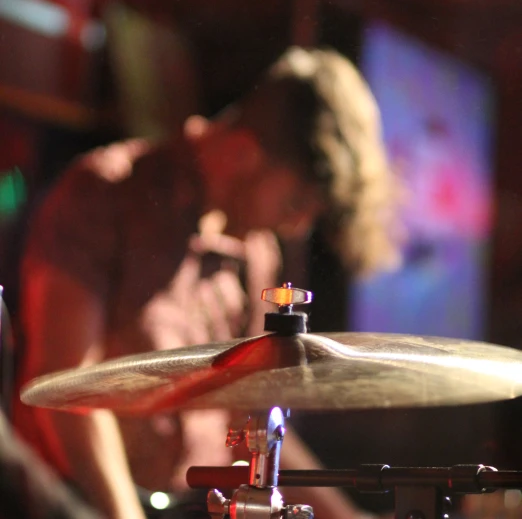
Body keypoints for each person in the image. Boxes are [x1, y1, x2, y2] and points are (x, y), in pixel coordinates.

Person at [14, 46, 401, 519]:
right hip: (71, 505)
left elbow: (251, 419)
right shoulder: (103, 196)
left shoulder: (256, 252)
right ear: (243, 153)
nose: (297, 226)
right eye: (296, 201)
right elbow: (66, 392)